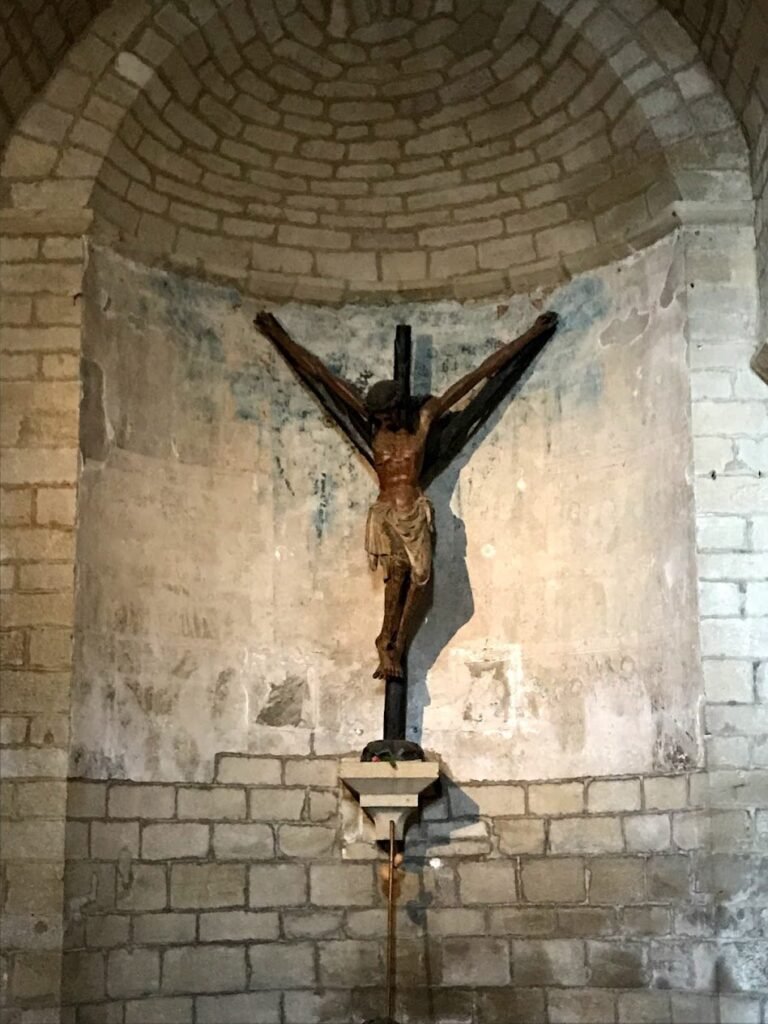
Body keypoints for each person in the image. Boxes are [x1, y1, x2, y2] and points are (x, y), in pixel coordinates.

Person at [255, 310, 558, 681]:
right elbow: (321, 375)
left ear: (398, 407)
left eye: (386, 416)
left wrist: (530, 335)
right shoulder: (374, 425)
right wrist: (278, 335)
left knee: (421, 575)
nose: (380, 423)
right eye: (378, 418)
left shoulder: (425, 418)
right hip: (386, 511)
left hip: (414, 509)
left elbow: (477, 377)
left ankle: (394, 641)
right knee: (397, 574)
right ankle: (388, 642)